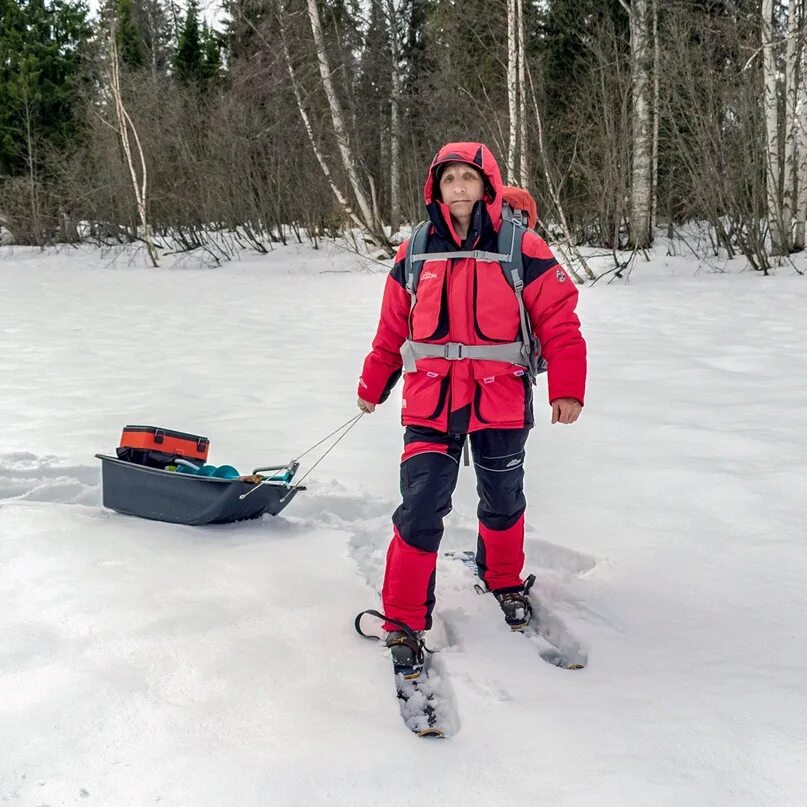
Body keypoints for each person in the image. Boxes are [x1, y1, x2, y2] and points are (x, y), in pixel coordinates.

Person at [357, 141, 586, 675]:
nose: (458, 188)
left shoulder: (522, 246)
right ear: (435, 188)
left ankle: (504, 580)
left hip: (500, 400)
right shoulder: (413, 249)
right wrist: (373, 383)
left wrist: (568, 387)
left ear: (488, 185)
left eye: (468, 178)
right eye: (448, 179)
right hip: (430, 403)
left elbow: (560, 320)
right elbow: (393, 327)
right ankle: (403, 619)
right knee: (419, 508)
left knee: (503, 499)